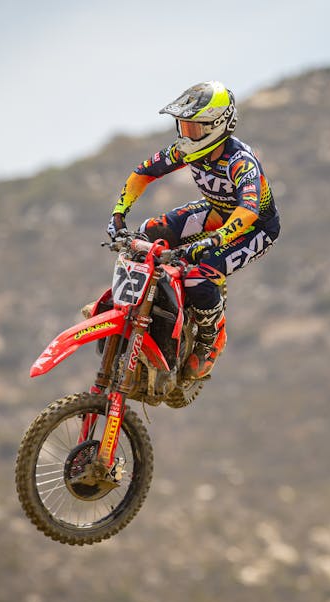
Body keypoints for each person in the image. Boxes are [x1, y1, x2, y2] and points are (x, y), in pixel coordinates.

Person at [105, 81, 281, 380]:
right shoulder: (185, 150)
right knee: (145, 235)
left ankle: (211, 337)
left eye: (194, 128)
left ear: (217, 125)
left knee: (198, 277)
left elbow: (249, 210)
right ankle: (127, 304)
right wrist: (119, 213)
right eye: (183, 126)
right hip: (216, 211)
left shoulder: (240, 161)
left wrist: (215, 240)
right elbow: (142, 173)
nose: (186, 135)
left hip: (254, 228)